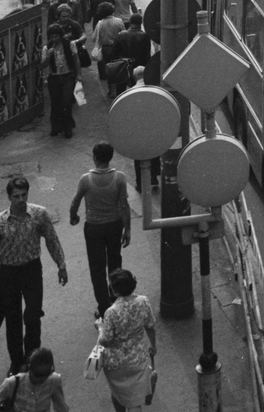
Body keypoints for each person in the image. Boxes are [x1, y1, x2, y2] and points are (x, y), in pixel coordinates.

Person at [0, 175, 69, 375]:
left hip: (32, 270)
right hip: (9, 274)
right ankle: (16, 362)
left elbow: (51, 239)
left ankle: (32, 359)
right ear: (9, 197)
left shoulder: (39, 214)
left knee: (32, 316)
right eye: (16, 196)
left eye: (24, 195)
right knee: (13, 320)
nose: (21, 200)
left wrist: (61, 265)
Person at [69, 142, 131, 318]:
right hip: (114, 225)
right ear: (110, 158)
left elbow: (75, 201)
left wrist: (73, 216)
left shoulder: (86, 179)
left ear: (95, 157)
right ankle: (116, 299)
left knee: (97, 268)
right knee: (115, 264)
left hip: (94, 228)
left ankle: (104, 307)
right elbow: (124, 205)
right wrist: (127, 229)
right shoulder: (120, 178)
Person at [97, 268, 157, 412]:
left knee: (117, 394)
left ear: (114, 291)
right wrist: (153, 346)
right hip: (138, 360)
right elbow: (150, 327)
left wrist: (100, 327)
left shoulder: (111, 312)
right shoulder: (143, 302)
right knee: (135, 400)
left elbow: (105, 340)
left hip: (115, 365)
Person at [0, 347, 70, 412]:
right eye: (38, 375)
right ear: (29, 369)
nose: (43, 379)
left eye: (47, 374)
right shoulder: (12, 383)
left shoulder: (53, 381)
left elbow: (61, 406)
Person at [42, 23, 80, 139]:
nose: (54, 39)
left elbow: (76, 60)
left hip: (67, 76)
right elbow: (43, 65)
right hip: (53, 78)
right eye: (52, 37)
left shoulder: (70, 44)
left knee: (66, 102)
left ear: (60, 35)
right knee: (55, 103)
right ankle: (56, 127)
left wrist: (78, 75)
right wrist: (48, 56)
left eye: (56, 36)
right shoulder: (47, 48)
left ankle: (68, 127)